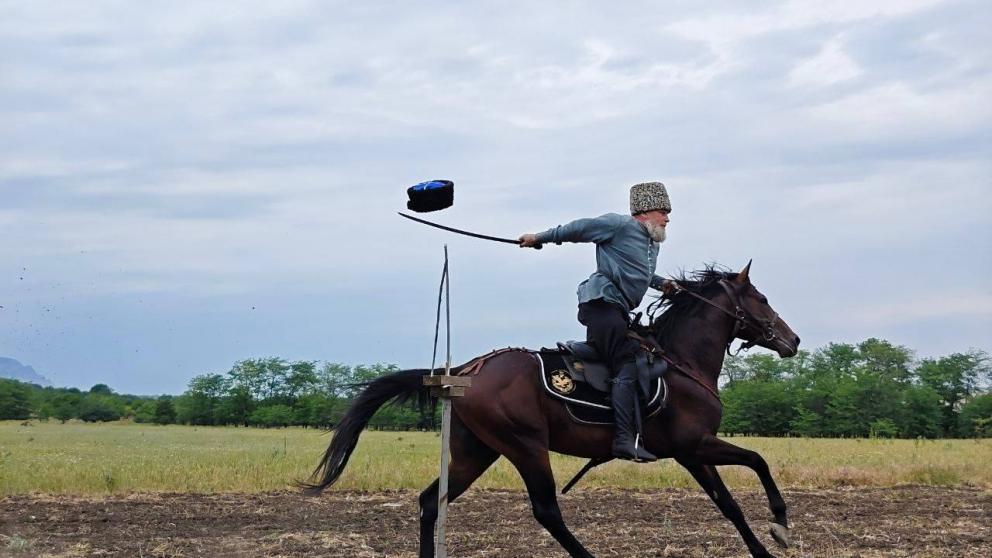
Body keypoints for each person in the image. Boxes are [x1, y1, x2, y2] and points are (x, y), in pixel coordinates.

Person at [518, 182, 677, 462]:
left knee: (626, 352)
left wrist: (662, 283)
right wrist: (539, 237)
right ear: (644, 212)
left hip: (617, 310)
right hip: (601, 304)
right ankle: (624, 440)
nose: (667, 218)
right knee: (626, 361)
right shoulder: (618, 225)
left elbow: (639, 273)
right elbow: (579, 228)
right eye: (663, 212)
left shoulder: (652, 244)